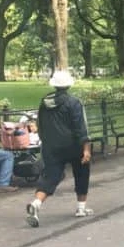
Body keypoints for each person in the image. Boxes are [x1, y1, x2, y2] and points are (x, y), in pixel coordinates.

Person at [25, 70, 93, 227]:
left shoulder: (44, 102)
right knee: (82, 172)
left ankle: (36, 203)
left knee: (50, 175)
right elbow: (80, 127)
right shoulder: (73, 102)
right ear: (68, 84)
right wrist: (86, 148)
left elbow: (40, 124)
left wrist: (44, 141)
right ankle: (81, 208)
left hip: (51, 146)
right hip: (73, 144)